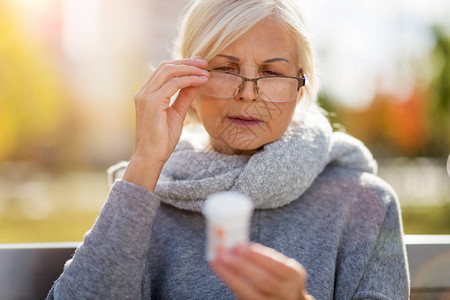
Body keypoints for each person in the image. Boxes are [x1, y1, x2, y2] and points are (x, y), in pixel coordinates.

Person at [47, 0, 410, 299]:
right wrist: (144, 162)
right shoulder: (144, 197)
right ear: (187, 79)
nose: (248, 92)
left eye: (271, 72)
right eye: (226, 68)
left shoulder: (364, 204)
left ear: (300, 86)